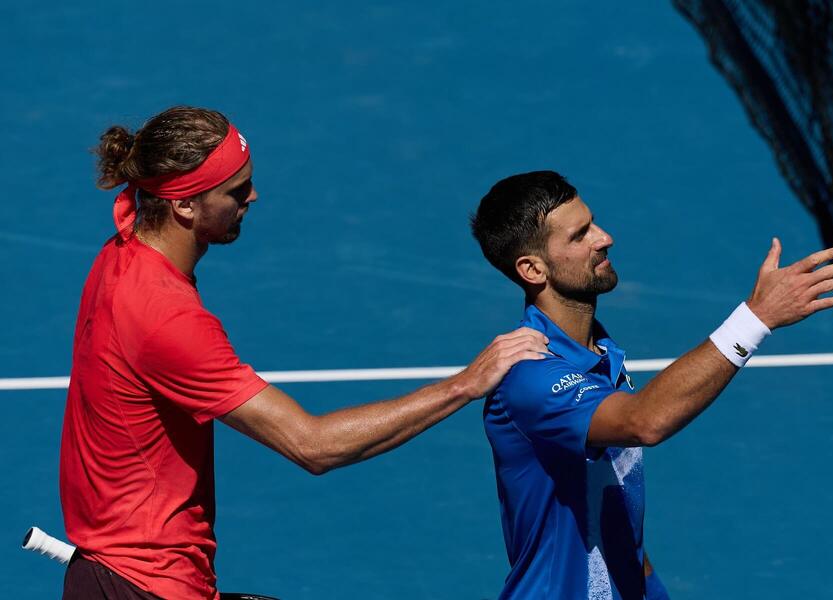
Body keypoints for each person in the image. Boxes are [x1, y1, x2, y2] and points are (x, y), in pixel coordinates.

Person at [59, 106, 548, 599]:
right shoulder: (167, 318)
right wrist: (465, 384)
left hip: (115, 572)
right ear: (185, 205)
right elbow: (313, 446)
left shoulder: (122, 253)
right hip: (147, 586)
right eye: (234, 191)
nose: (252, 196)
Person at [470, 170, 833, 600]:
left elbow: (607, 498)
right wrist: (756, 318)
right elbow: (645, 422)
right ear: (532, 268)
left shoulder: (599, 351)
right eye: (580, 236)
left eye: (593, 222)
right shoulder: (533, 376)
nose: (605, 238)